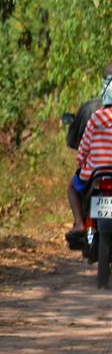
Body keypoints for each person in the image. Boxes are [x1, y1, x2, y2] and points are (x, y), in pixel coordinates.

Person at [68, 63, 112, 240]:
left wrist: (81, 161)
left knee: (72, 187)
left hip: (95, 174)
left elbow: (83, 148)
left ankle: (79, 223)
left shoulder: (95, 116)